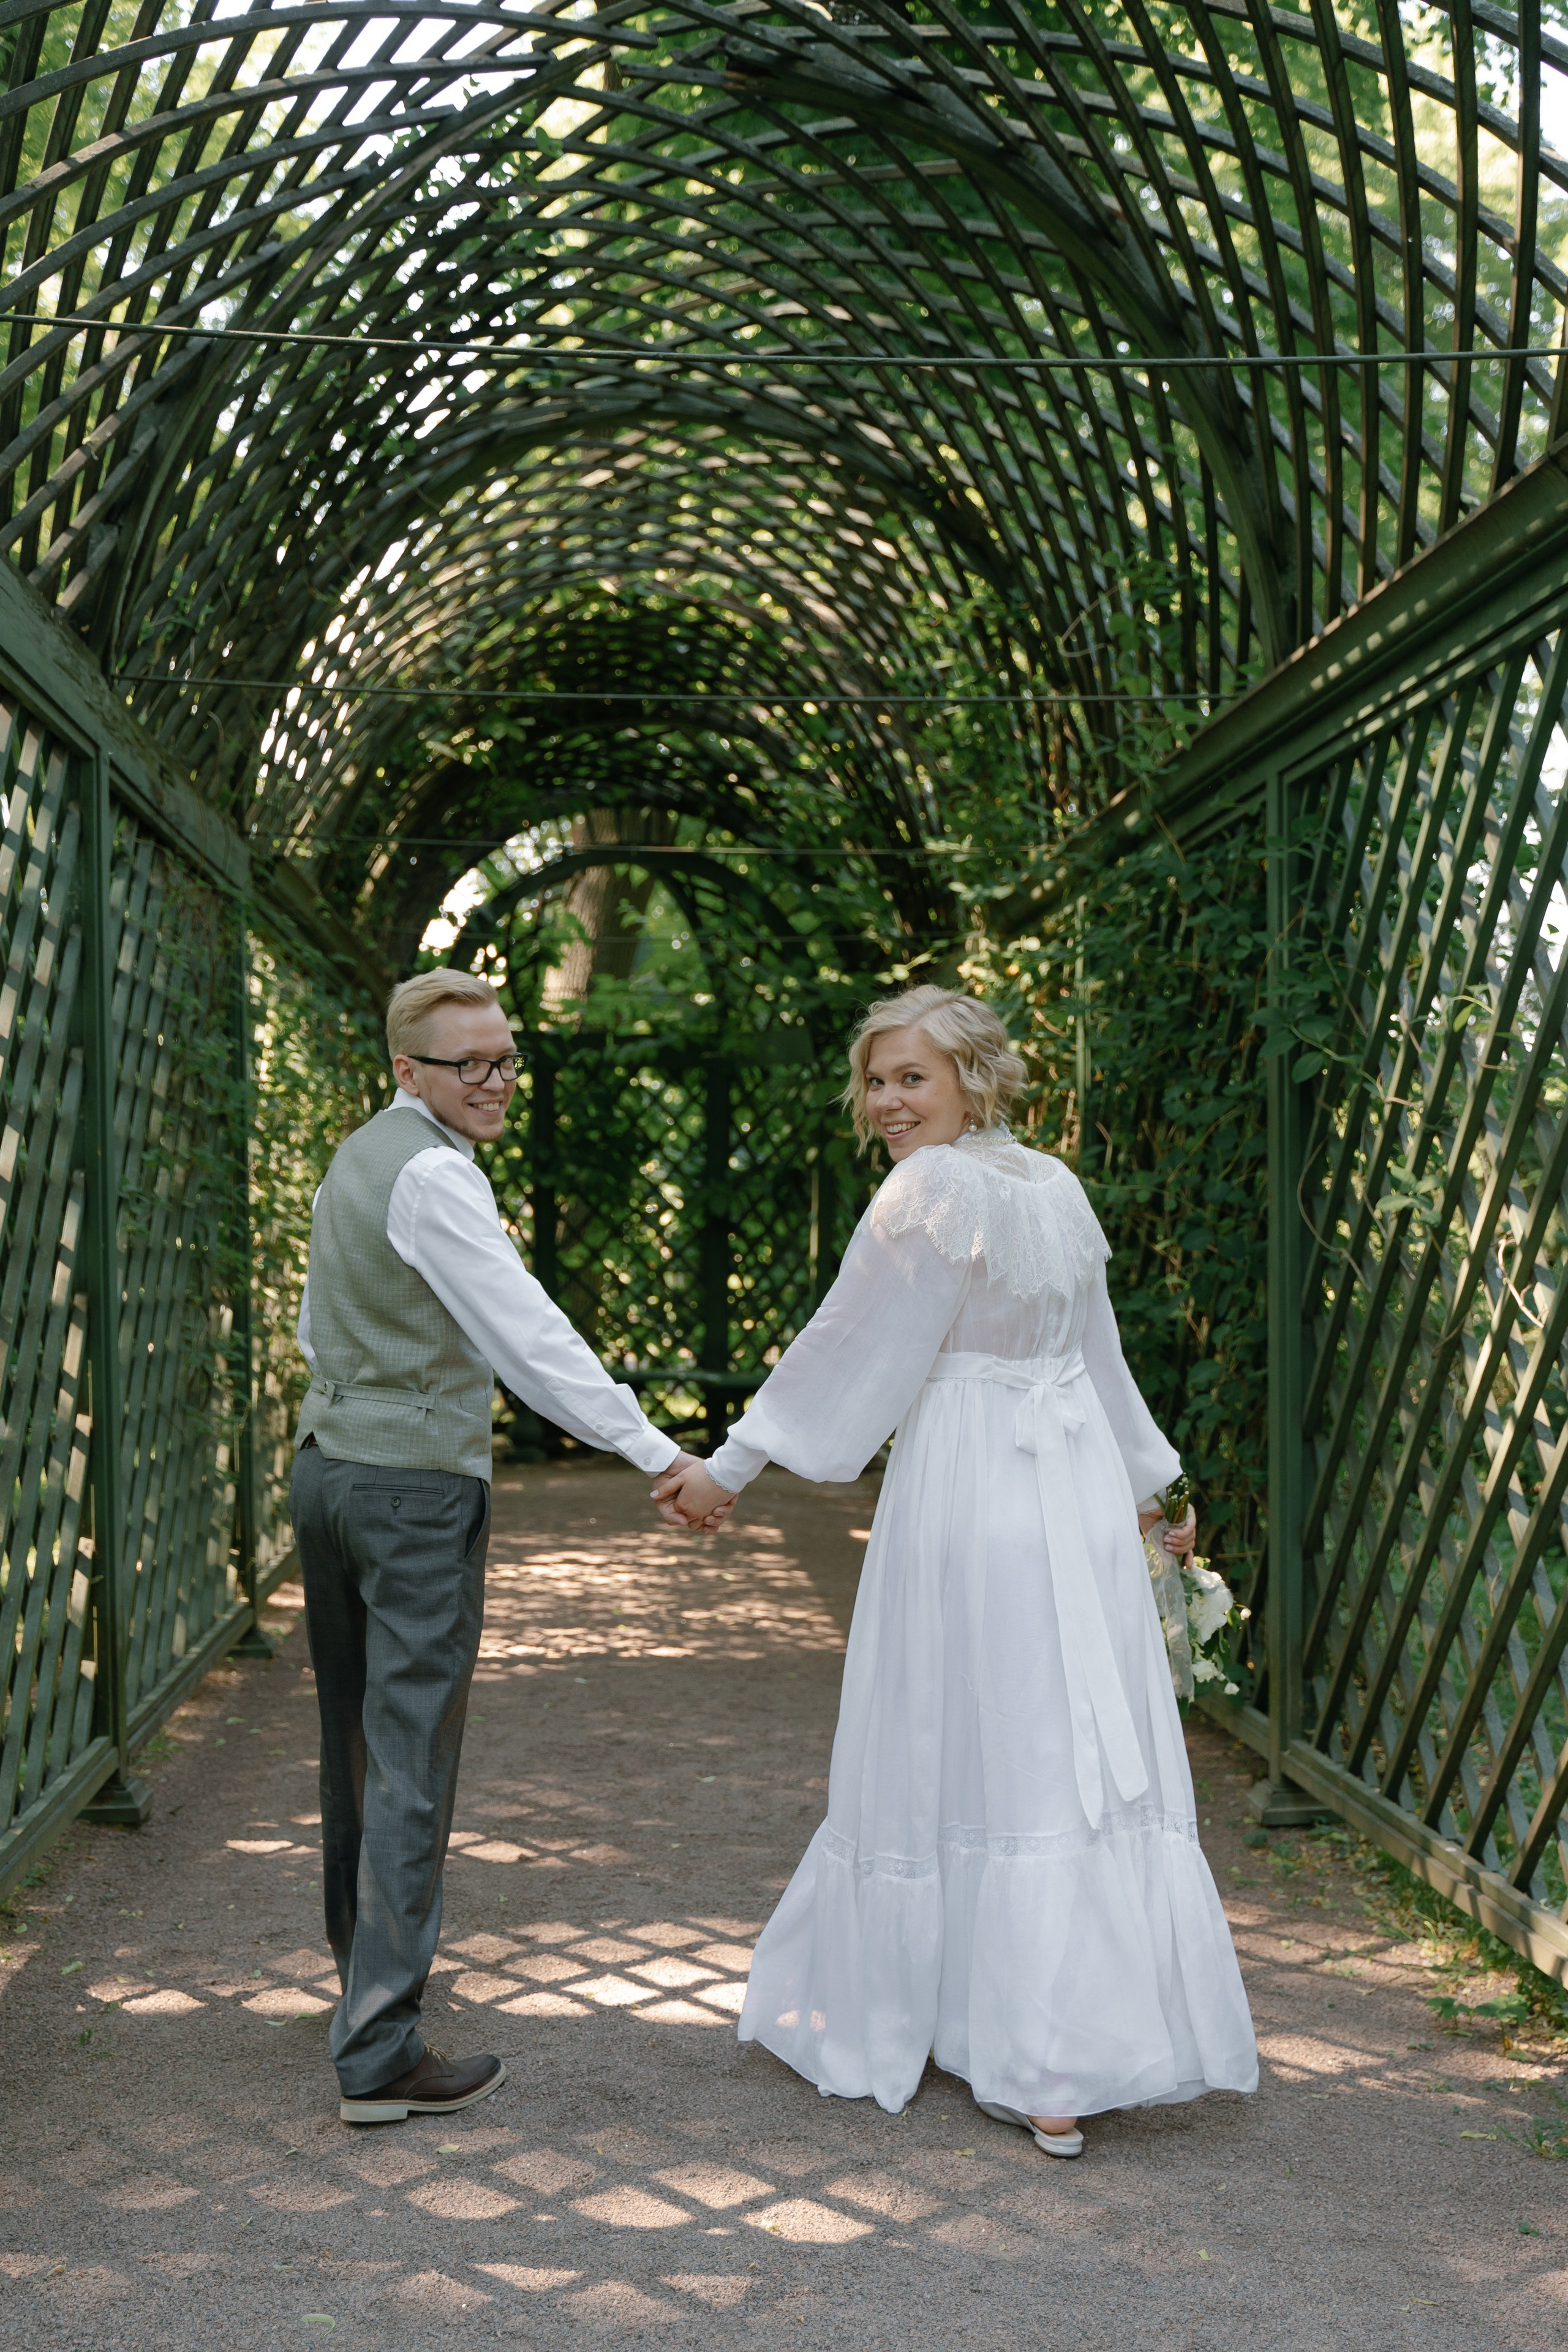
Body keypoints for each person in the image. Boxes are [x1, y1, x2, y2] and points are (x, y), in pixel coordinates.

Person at [654, 986, 1257, 2156]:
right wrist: (1155, 1490)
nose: (887, 1102)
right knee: (1055, 1749)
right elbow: (1102, 1360)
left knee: (966, 1735)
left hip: (976, 1492)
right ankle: (1058, 2049)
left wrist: (725, 1469)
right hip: (1074, 1492)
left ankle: (1019, 2046)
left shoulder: (927, 1190)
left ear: (973, 1079)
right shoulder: (1056, 1183)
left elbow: (848, 1344)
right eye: (876, 1081)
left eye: (911, 1078)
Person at [291, 969, 700, 2125]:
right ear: (408, 1068)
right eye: (466, 1062)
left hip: (328, 1468)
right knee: (410, 1761)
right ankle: (380, 2052)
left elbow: (319, 1326)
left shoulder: (357, 1155)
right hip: (413, 1491)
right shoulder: (435, 1175)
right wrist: (654, 1450)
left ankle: (360, 1993)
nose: (495, 1080)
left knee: (355, 1748)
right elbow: (529, 1337)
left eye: (506, 1058)